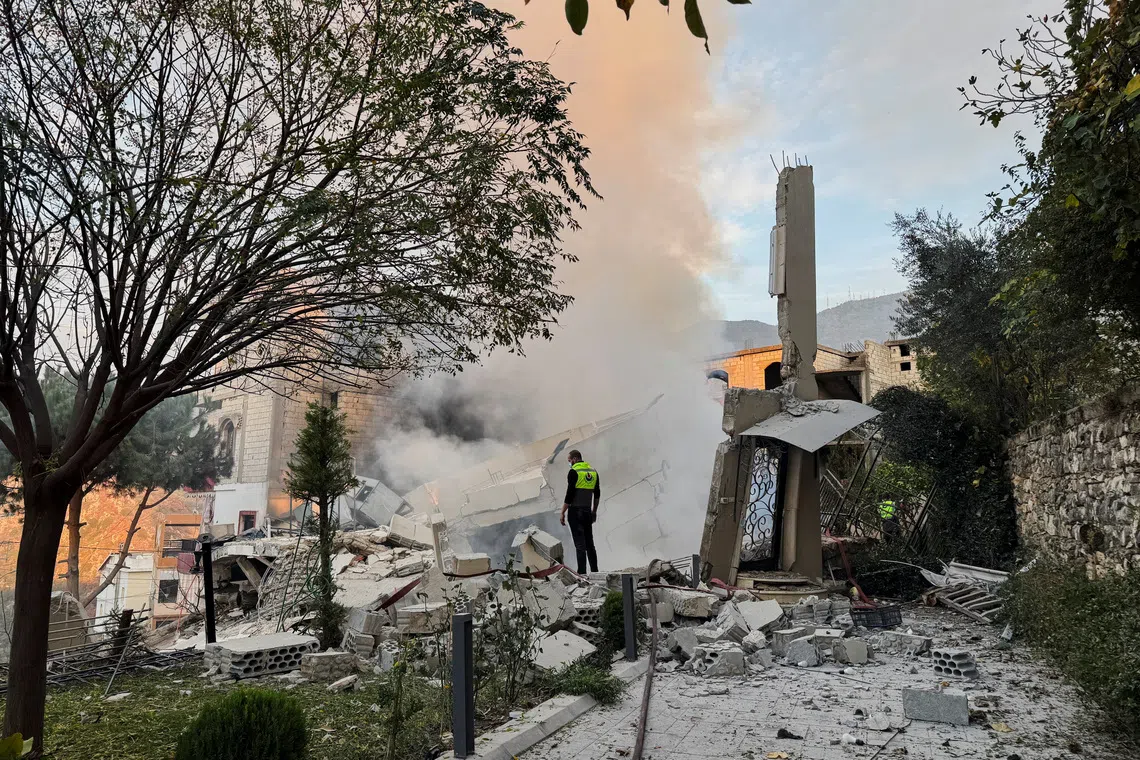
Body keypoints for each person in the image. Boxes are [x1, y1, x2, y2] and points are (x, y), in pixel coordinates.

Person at [560, 449, 600, 574]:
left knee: (580, 545)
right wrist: (594, 511)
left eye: (570, 460)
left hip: (575, 512)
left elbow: (570, 494)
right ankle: (595, 572)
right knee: (590, 544)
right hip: (588, 511)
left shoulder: (573, 472)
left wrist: (562, 512)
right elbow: (597, 493)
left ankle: (581, 574)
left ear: (575, 459)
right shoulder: (593, 472)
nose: (570, 463)